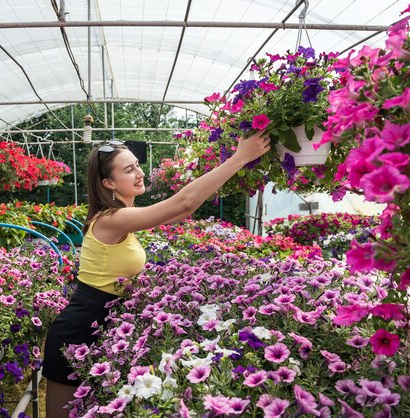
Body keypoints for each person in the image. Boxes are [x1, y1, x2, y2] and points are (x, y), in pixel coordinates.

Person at [43, 132, 270, 417]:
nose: (139, 173)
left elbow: (183, 211)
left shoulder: (124, 215)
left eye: (137, 165)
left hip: (100, 327)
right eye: (129, 170)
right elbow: (182, 204)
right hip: (77, 330)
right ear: (108, 184)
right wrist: (239, 158)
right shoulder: (112, 219)